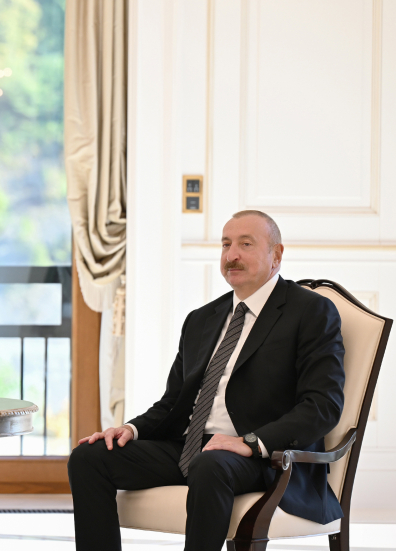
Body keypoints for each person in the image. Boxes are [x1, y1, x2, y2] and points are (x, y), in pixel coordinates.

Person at [67, 210, 345, 551]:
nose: (232, 255)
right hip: (191, 448)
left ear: (276, 255)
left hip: (264, 456)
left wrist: (250, 442)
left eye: (246, 244)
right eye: (226, 244)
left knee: (209, 464)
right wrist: (130, 429)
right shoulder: (201, 319)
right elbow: (173, 403)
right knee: (89, 457)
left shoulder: (311, 312)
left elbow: (323, 406)